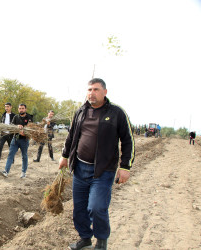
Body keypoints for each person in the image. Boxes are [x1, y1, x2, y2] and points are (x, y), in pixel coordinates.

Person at [59, 78, 135, 250]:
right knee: (79, 209)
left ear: (105, 92)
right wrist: (64, 156)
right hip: (80, 168)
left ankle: (101, 242)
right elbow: (71, 136)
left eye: (96, 89)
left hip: (103, 170)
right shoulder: (81, 111)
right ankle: (85, 238)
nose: (91, 93)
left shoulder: (116, 113)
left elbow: (128, 140)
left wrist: (125, 166)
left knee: (96, 207)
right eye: (89, 90)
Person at [0, 104, 33, 178]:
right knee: (10, 155)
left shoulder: (29, 117)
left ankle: (23, 172)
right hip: (15, 140)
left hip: (24, 140)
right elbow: (11, 126)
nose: (21, 110)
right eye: (20, 108)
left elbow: (31, 130)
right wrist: (17, 127)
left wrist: (23, 132)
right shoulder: (16, 117)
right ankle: (6, 171)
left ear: (25, 109)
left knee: (24, 156)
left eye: (22, 108)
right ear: (18, 109)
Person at [0, 102, 16, 167]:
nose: (6, 108)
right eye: (5, 107)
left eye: (8, 106)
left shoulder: (14, 115)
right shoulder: (3, 115)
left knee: (11, 148)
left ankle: (12, 160)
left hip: (10, 135)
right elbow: (0, 123)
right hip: (3, 134)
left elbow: (15, 125)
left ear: (11, 107)